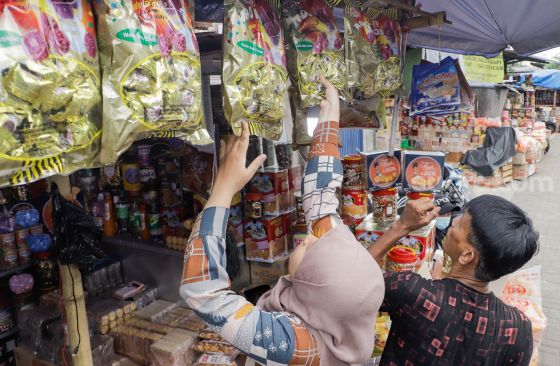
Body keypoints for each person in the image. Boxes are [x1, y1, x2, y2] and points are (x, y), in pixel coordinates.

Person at [180, 76, 385, 365]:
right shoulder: (342, 321)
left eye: (313, 250)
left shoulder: (297, 346)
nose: (312, 238)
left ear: (312, 287)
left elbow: (204, 293)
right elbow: (323, 205)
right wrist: (328, 126)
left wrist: (222, 191)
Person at [367, 195, 538, 365]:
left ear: (467, 255)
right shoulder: (518, 329)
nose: (454, 222)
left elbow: (353, 282)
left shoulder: (412, 292)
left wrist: (401, 226)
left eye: (461, 222)